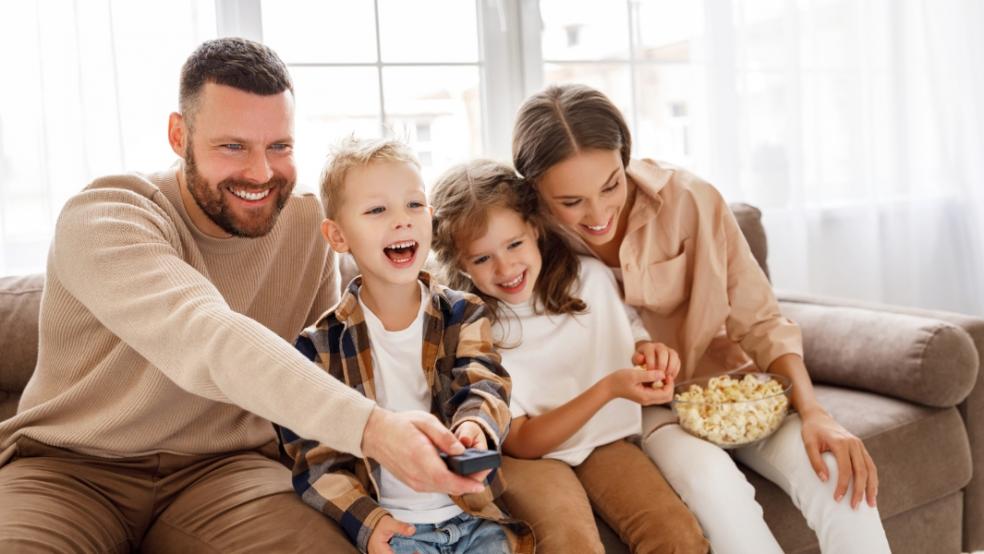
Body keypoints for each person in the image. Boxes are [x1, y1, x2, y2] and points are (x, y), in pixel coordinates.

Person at [0, 38, 484, 553]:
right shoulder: (106, 214)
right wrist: (375, 430)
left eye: (279, 146)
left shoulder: (304, 226)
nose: (261, 173)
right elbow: (203, 333)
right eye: (233, 146)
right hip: (71, 469)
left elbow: (322, 374)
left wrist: (366, 506)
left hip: (227, 471)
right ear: (178, 134)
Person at [509, 83, 891, 553]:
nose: (598, 212)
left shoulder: (691, 200)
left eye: (612, 184)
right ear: (535, 193)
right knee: (714, 487)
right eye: (571, 202)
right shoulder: (525, 246)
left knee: (835, 470)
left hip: (729, 390)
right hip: (642, 416)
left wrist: (815, 412)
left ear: (625, 157)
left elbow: (762, 322)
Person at [430, 159, 708, 554]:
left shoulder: (591, 280)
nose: (506, 267)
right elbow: (524, 442)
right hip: (529, 459)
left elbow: (631, 337)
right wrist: (610, 389)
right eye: (482, 258)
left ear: (535, 229)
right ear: (460, 263)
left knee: (677, 536)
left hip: (605, 442)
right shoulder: (471, 326)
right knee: (570, 545)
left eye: (514, 244)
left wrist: (652, 355)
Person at [278, 138, 532, 554]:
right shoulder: (318, 348)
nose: (402, 221)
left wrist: (475, 427)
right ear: (338, 236)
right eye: (378, 210)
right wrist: (369, 521)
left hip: (472, 518)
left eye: (414, 205)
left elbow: (485, 382)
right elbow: (314, 459)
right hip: (397, 530)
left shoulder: (463, 315)